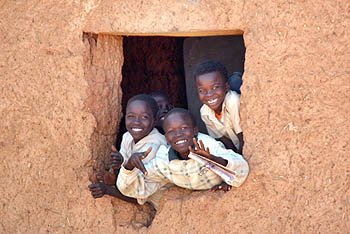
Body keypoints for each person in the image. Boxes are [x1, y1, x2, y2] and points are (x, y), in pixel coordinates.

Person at [117, 108, 249, 205]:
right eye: (171, 131)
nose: (178, 134)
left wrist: (214, 160)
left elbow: (242, 169)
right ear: (166, 138)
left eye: (184, 128)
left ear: (195, 130)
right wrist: (128, 167)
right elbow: (134, 189)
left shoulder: (208, 146)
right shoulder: (163, 160)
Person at [88, 94, 167, 207]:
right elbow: (126, 172)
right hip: (136, 189)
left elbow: (138, 195)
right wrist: (118, 166)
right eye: (131, 116)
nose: (136, 122)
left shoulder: (154, 147)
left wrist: (107, 190)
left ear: (155, 120)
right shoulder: (127, 137)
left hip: (161, 204)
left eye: (144, 117)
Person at [194, 60, 244, 154]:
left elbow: (243, 137)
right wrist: (234, 157)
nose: (209, 94)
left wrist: (241, 157)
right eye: (202, 90)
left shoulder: (233, 101)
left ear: (226, 86)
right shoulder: (205, 112)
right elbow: (223, 140)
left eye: (215, 87)